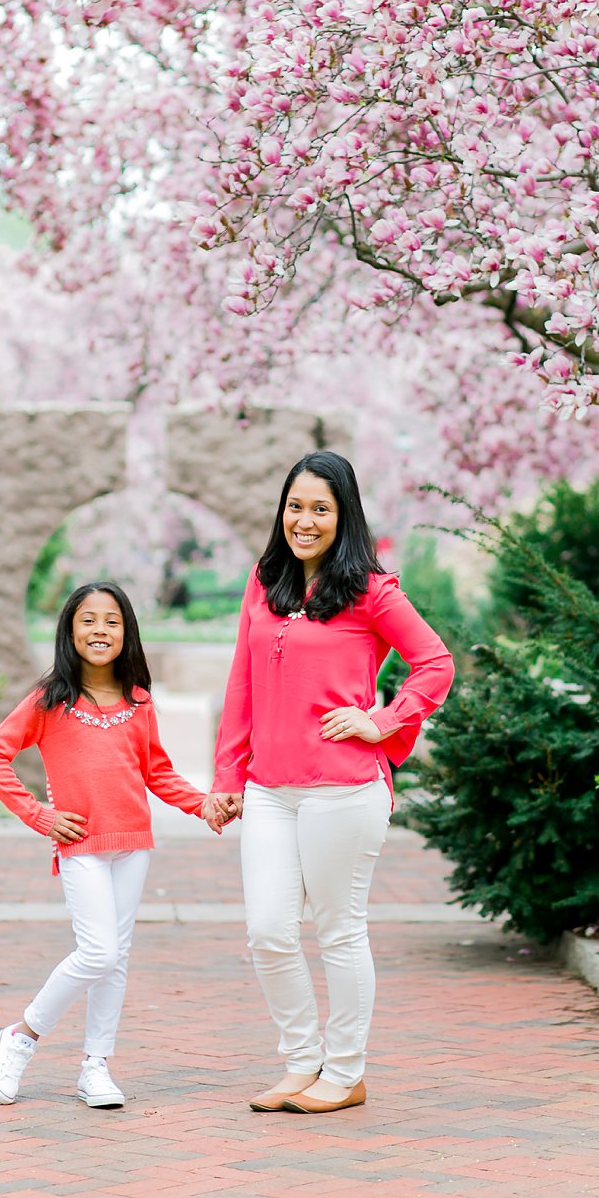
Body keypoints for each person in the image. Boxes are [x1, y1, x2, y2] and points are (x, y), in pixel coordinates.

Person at [204, 450, 453, 1115]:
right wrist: (228, 774)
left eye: (320, 508)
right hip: (268, 790)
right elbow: (242, 683)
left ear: (343, 516)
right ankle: (300, 1062)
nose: (305, 520)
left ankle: (344, 1073)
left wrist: (383, 719)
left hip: (342, 790)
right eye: (295, 506)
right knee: (269, 931)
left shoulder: (372, 589)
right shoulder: (265, 581)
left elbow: (434, 662)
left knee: (339, 931)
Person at [0, 582, 211, 1111]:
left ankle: (95, 1066)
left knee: (116, 958)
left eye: (111, 621)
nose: (100, 630)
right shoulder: (49, 700)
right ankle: (22, 1035)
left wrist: (204, 806)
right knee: (98, 951)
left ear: (127, 632)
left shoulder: (139, 701)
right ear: (70, 630)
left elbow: (158, 772)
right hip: (80, 845)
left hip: (134, 845)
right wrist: (39, 814)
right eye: (88, 620)